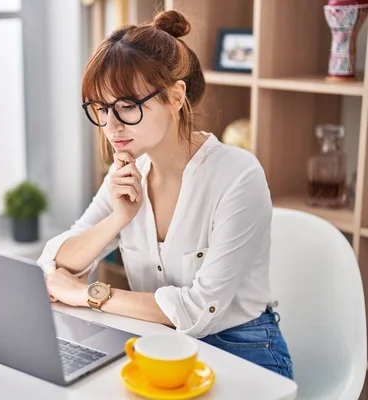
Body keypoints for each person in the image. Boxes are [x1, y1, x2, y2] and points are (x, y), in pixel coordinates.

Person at [36, 10, 294, 379]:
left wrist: (89, 294)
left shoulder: (238, 175)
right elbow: (57, 262)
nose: (110, 125)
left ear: (175, 96)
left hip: (243, 350)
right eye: (101, 108)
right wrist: (118, 219)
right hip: (159, 346)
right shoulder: (127, 172)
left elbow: (197, 309)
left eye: (127, 106)